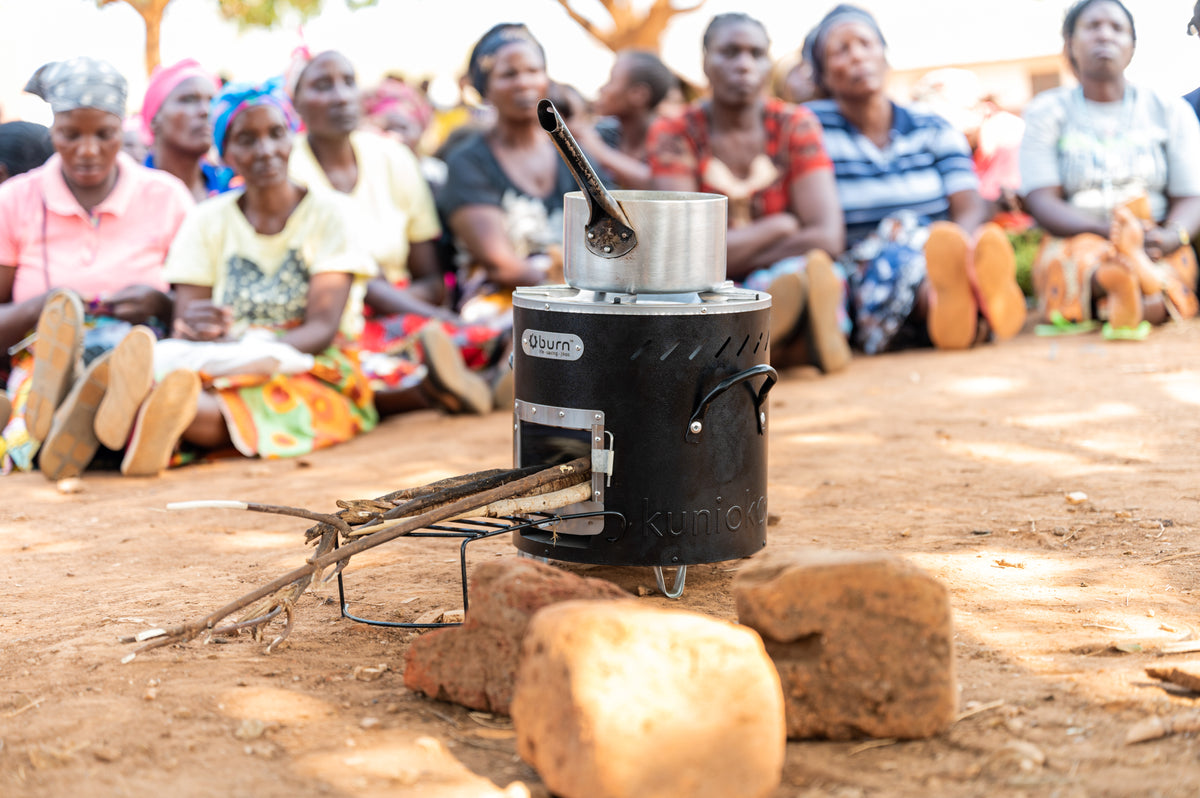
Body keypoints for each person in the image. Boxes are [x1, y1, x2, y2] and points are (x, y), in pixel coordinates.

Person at [156, 76, 379, 467]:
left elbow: (321, 330)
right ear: (225, 154)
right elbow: (187, 322)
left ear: (293, 137)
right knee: (169, 358)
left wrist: (246, 352)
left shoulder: (331, 213)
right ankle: (157, 415)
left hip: (312, 363)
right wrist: (198, 326)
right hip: (223, 362)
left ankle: (155, 418)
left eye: (277, 133)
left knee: (197, 405)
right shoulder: (205, 221)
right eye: (246, 139)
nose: (266, 150)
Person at [0, 56, 193, 476]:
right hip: (43, 352)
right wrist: (45, 307)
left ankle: (74, 426)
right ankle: (93, 424)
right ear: (52, 132)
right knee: (45, 378)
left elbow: (197, 304)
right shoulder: (14, 200)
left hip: (143, 349)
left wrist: (160, 303)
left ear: (122, 131)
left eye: (104, 135)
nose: (88, 151)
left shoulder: (166, 196)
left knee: (144, 371)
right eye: (70, 135)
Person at [286, 48, 503, 415]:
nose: (340, 95)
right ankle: (460, 385)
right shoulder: (287, 169)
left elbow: (431, 280)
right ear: (296, 104)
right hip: (329, 321)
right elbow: (335, 287)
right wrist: (373, 294)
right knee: (337, 365)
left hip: (405, 311)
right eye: (322, 86)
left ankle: (452, 382)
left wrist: (385, 297)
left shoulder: (392, 157)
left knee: (489, 336)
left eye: (348, 82)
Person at [803, 4, 1027, 355]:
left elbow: (968, 207)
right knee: (896, 256)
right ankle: (957, 298)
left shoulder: (932, 126)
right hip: (861, 263)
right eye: (841, 50)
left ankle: (956, 290)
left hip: (934, 244)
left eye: (866, 43)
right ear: (823, 75)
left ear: (885, 56)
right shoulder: (810, 128)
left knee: (937, 247)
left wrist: (959, 246)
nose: (858, 55)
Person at [647, 12, 850, 373]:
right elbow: (682, 257)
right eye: (730, 52)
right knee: (696, 299)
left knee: (811, 271)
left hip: (779, 269)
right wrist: (778, 228)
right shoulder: (674, 132)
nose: (744, 65)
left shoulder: (795, 124)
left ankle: (774, 337)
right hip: (709, 290)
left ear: (768, 62)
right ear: (705, 62)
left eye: (756, 54)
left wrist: (736, 253)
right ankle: (789, 341)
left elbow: (828, 236)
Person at [1020, 0, 1200, 339]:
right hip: (1078, 236)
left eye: (1117, 28)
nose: (1105, 35)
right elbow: (1042, 200)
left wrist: (1172, 236)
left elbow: (1192, 194)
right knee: (1082, 259)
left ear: (1133, 44)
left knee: (1172, 263)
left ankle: (1117, 293)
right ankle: (1128, 290)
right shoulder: (1045, 112)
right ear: (1069, 43)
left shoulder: (1170, 111)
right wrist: (1112, 234)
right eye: (1092, 27)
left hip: (1154, 236)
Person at [439, 23, 601, 326]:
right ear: (483, 87)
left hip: (579, 297)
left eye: (533, 70)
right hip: (502, 304)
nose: (524, 82)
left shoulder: (572, 153)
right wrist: (580, 296)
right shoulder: (469, 161)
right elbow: (501, 266)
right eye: (508, 75)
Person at [569, 49, 677, 190]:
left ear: (639, 94)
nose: (602, 89)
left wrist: (600, 151)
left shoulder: (671, 142)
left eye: (611, 80)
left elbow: (662, 188)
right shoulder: (603, 132)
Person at [141, 58, 235, 202]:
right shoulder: (131, 192)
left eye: (212, 101)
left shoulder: (229, 191)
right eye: (189, 99)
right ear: (154, 118)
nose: (206, 111)